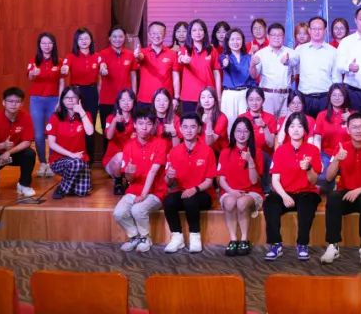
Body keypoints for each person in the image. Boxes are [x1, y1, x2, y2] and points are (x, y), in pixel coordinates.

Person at [321, 112, 361, 264]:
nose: (358, 130)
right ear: (348, 129)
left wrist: (358, 190)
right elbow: (329, 177)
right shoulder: (341, 148)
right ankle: (333, 245)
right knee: (333, 197)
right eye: (354, 127)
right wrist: (337, 159)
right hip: (346, 195)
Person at [263, 111, 322, 262]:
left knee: (308, 202)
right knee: (270, 202)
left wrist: (308, 168)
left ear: (305, 130)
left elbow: (314, 181)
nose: (296, 129)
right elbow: (275, 180)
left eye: (300, 126)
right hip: (285, 192)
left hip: (306, 191)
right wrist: (284, 196)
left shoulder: (313, 150)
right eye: (292, 126)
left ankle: (302, 244)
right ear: (287, 129)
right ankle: (275, 244)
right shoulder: (280, 150)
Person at [113, 109, 168, 253]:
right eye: (141, 123)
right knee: (118, 213)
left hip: (156, 191)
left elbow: (153, 171)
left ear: (154, 126)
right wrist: (128, 174)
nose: (144, 127)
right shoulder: (128, 146)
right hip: (133, 190)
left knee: (137, 210)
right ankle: (134, 237)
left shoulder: (161, 143)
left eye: (148, 124)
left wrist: (143, 195)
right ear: (135, 125)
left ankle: (145, 237)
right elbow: (129, 179)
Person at [162, 113, 216, 254]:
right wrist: (169, 177)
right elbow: (168, 183)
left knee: (190, 199)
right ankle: (177, 237)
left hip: (202, 194)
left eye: (193, 127)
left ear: (199, 129)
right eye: (185, 127)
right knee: (168, 201)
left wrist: (195, 189)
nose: (189, 130)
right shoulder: (174, 151)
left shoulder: (207, 151)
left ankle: (195, 235)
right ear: (180, 129)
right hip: (182, 192)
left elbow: (209, 181)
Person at [218, 116, 265, 256]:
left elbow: (254, 182)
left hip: (252, 192)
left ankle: (244, 239)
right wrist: (231, 191)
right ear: (233, 133)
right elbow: (221, 179)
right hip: (230, 191)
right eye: (238, 131)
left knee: (242, 203)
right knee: (230, 202)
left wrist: (250, 161)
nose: (242, 134)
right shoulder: (225, 152)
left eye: (245, 131)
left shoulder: (257, 152)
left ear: (250, 133)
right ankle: (233, 239)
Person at [0, 87, 37, 199]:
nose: (13, 104)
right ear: (4, 102)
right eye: (10, 101)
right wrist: (3, 146)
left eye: (17, 101)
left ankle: (24, 184)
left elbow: (27, 142)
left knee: (30, 154)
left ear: (21, 104)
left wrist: (9, 152)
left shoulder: (26, 117)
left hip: (14, 154)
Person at [46, 86, 95, 199]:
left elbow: (90, 132)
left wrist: (81, 112)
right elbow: (52, 144)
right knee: (76, 163)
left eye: (73, 97)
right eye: (67, 97)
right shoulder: (55, 117)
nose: (70, 100)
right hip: (59, 160)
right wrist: (71, 155)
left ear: (79, 99)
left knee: (82, 192)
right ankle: (62, 188)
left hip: (81, 159)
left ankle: (68, 185)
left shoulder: (85, 115)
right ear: (62, 100)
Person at [96, 26, 138, 155]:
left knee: (127, 131)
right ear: (109, 38)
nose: (117, 39)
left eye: (120, 36)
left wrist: (134, 95)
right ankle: (107, 159)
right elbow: (100, 70)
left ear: (124, 38)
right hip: (107, 100)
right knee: (108, 132)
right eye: (114, 36)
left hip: (126, 101)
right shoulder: (101, 54)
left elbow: (133, 76)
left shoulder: (130, 54)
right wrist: (102, 69)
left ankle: (128, 156)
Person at [28, 32, 63, 178]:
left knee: (53, 133)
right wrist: (33, 73)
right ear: (39, 45)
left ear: (53, 45)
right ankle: (42, 162)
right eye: (43, 43)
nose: (46, 46)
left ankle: (52, 162)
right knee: (38, 134)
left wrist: (60, 101)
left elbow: (62, 82)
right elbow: (30, 77)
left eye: (49, 43)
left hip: (53, 100)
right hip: (36, 101)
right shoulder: (33, 61)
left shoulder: (59, 61)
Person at [61, 28, 101, 156]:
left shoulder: (97, 56)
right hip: (76, 94)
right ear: (76, 41)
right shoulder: (71, 56)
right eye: (80, 39)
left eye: (86, 38)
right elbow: (65, 68)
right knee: (76, 124)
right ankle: (74, 156)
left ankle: (89, 158)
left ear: (91, 40)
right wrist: (64, 69)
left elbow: (101, 73)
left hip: (92, 92)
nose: (84, 41)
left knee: (90, 123)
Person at [291, 16, 339, 117]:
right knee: (305, 125)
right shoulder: (300, 49)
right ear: (309, 30)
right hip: (305, 97)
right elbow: (292, 66)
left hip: (325, 97)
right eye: (314, 29)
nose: (317, 32)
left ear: (325, 30)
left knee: (325, 125)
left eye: (320, 29)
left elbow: (336, 77)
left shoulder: (333, 51)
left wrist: (336, 96)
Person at [135, 21, 181, 114]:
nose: (156, 36)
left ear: (164, 35)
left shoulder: (172, 54)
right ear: (149, 35)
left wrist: (176, 98)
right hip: (145, 99)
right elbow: (140, 58)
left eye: (160, 33)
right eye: (153, 33)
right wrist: (137, 55)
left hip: (165, 100)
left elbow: (176, 77)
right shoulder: (143, 52)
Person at [250, 22, 293, 115]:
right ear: (268, 36)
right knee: (268, 122)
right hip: (267, 95)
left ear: (284, 37)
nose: (277, 38)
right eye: (273, 35)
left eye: (280, 35)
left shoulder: (291, 53)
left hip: (286, 96)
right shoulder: (260, 53)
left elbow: (296, 74)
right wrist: (252, 65)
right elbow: (254, 76)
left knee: (285, 123)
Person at [312, 84, 351, 179]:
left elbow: (359, 136)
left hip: (348, 155)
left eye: (340, 95)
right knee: (322, 179)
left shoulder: (352, 115)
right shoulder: (322, 115)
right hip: (327, 155)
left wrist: (351, 120)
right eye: (334, 95)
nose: (337, 98)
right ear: (329, 97)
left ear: (345, 97)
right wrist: (317, 157)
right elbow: (317, 138)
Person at [103, 88, 137, 195]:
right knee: (120, 156)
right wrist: (115, 121)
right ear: (118, 102)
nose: (126, 103)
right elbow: (109, 136)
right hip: (113, 161)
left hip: (131, 160)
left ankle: (128, 181)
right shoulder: (110, 118)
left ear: (134, 102)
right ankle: (118, 182)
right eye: (123, 100)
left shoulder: (137, 120)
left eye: (129, 100)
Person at [219, 28, 255, 123]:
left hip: (245, 93)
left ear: (243, 41)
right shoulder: (224, 56)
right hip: (230, 94)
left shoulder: (249, 58)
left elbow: (253, 78)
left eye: (238, 39)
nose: (235, 42)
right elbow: (225, 64)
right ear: (227, 42)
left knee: (246, 123)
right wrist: (226, 63)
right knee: (229, 123)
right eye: (232, 39)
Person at [196, 86, 229, 153]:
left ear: (215, 100)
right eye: (203, 97)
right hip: (201, 150)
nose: (206, 100)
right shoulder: (198, 114)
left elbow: (209, 143)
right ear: (200, 101)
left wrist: (209, 123)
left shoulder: (222, 118)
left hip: (218, 152)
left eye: (210, 97)